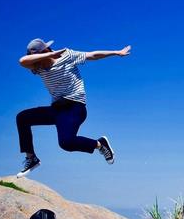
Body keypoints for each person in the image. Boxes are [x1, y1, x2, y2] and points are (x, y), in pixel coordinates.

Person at [15, 38, 131, 178]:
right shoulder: (38, 67)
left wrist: (116, 52)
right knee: (22, 117)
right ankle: (31, 158)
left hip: (75, 107)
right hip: (57, 110)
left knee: (66, 143)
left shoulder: (67, 56)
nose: (34, 62)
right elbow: (22, 61)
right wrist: (48, 55)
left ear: (45, 50)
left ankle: (100, 144)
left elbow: (92, 55)